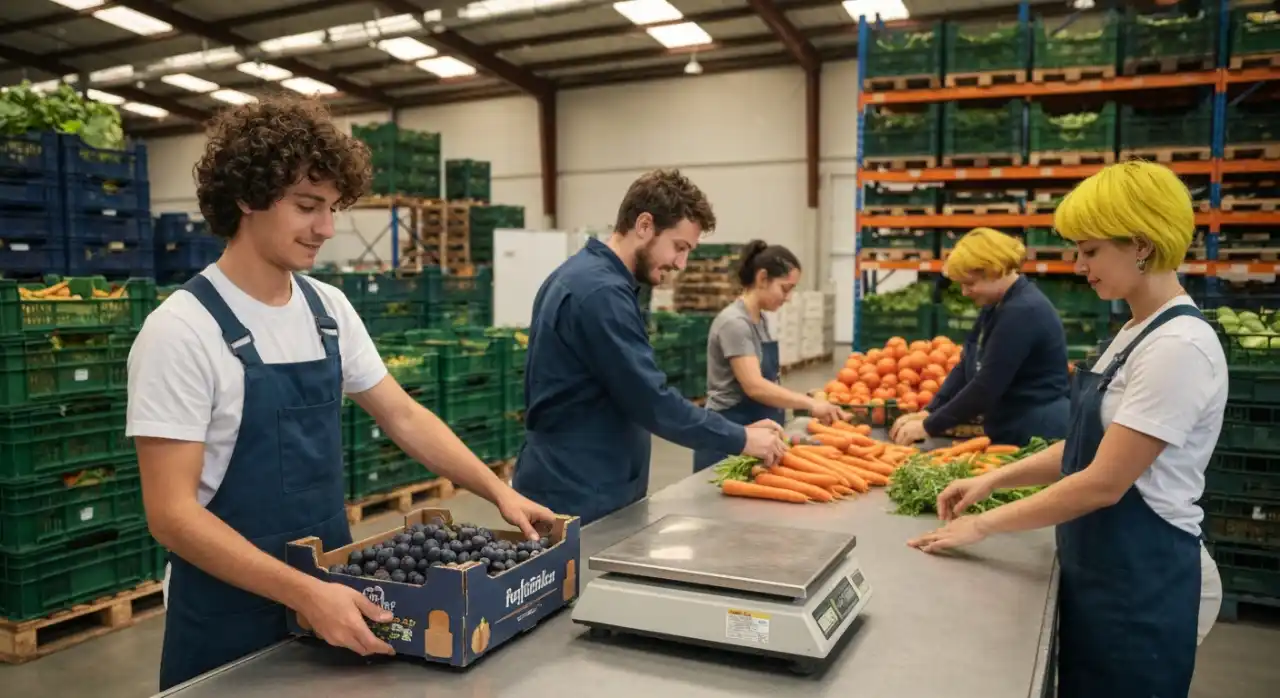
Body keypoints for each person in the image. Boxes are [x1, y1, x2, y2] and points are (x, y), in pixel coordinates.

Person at [127, 96, 556, 691]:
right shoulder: (181, 332)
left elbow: (402, 413)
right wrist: (304, 591)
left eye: (332, 207)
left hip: (339, 596)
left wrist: (496, 491)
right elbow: (171, 515)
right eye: (307, 207)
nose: (326, 228)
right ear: (248, 197)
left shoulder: (327, 309)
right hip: (229, 614)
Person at [906, 161, 1227, 697]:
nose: (1080, 265)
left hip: (1140, 585)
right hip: (1102, 570)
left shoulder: (1178, 348)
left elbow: (1104, 481)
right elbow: (1083, 447)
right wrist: (994, 480)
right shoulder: (1134, 330)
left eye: (1092, 250)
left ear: (1142, 244)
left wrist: (985, 525)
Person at [512, 170, 789, 525]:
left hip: (587, 477)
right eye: (679, 247)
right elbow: (652, 402)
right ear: (644, 225)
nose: (680, 263)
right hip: (578, 490)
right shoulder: (601, 294)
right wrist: (741, 438)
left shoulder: (586, 276)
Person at [890, 227, 1070, 448]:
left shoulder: (1023, 312)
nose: (965, 292)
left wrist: (929, 426)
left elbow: (986, 387)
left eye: (970, 283)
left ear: (994, 271)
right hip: (1013, 428)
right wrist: (929, 411)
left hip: (1037, 433)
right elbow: (966, 365)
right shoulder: (997, 305)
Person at [692, 241, 848, 472]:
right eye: (785, 288)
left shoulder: (760, 320)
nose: (789, 298)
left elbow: (768, 380)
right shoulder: (735, 323)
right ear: (763, 278)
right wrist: (810, 404)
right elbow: (755, 386)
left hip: (757, 434)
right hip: (729, 436)